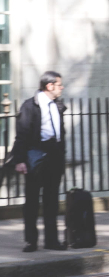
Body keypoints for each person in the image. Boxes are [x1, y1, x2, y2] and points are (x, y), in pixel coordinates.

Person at [10, 72, 67, 252]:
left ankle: (52, 240)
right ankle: (31, 241)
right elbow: (22, 134)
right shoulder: (30, 106)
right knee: (32, 201)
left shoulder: (58, 105)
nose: (61, 87)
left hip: (54, 156)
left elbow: (61, 133)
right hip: (35, 156)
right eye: (59, 84)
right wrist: (19, 160)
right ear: (49, 86)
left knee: (52, 200)